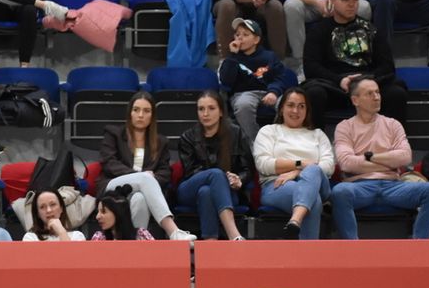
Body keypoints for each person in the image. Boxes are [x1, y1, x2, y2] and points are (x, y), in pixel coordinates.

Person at [330, 76, 429, 240]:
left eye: (377, 92)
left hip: (393, 186)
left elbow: (405, 157)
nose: (376, 97)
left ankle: (419, 244)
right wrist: (388, 163)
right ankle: (352, 247)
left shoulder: (393, 124)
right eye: (369, 94)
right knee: (340, 192)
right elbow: (347, 163)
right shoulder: (344, 127)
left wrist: (370, 157)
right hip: (359, 186)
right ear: (355, 100)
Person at [303, 0, 408, 126]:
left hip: (367, 84)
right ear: (332, 0)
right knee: (314, 93)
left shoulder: (371, 29)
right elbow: (311, 67)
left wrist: (365, 80)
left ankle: (394, 138)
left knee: (396, 93)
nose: (351, 4)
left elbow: (387, 66)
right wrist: (339, 80)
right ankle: (314, 138)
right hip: (334, 86)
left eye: (355, 0)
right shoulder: (319, 30)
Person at [95, 92, 197, 240]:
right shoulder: (114, 134)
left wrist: (147, 179)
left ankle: (134, 243)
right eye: (136, 110)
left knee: (140, 199)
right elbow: (109, 163)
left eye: (146, 111)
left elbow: (165, 173)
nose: (140, 115)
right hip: (113, 188)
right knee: (144, 178)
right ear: (130, 113)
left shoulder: (161, 142)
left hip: (143, 191)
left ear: (152, 116)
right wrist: (139, 176)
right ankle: (173, 231)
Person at [252, 86, 335, 239]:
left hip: (318, 184)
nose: (295, 111)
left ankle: (295, 220)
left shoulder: (317, 134)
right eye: (290, 105)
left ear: (307, 111)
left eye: (301, 106)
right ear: (281, 109)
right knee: (314, 200)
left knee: (313, 170)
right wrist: (299, 163)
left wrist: (297, 172)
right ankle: (307, 249)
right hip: (276, 185)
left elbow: (329, 166)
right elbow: (264, 164)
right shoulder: (268, 131)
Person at [176, 89, 252, 241]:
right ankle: (234, 235)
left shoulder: (236, 133)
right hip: (190, 189)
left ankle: (210, 244)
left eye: (211, 108)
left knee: (207, 192)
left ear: (221, 111)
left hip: (228, 192)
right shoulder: (188, 137)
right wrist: (220, 177)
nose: (205, 114)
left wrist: (239, 180)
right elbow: (190, 171)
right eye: (201, 109)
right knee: (215, 174)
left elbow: (248, 169)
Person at [218, 17, 289, 143]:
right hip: (243, 94)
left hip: (269, 91)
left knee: (287, 104)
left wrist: (273, 92)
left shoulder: (269, 56)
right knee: (243, 105)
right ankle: (256, 142)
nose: (240, 38)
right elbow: (226, 81)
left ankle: (282, 140)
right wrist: (233, 56)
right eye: (237, 34)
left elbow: (280, 77)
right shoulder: (232, 59)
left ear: (256, 39)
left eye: (245, 35)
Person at [88, 187, 153, 241]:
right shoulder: (99, 238)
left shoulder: (141, 235)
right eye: (98, 212)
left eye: (103, 211)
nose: (97, 216)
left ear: (118, 212)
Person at [22, 188, 87, 241]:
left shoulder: (77, 236)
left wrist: (61, 232)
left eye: (53, 204)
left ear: (61, 208)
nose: (49, 210)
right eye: (42, 207)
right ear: (37, 213)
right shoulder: (30, 238)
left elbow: (72, 254)